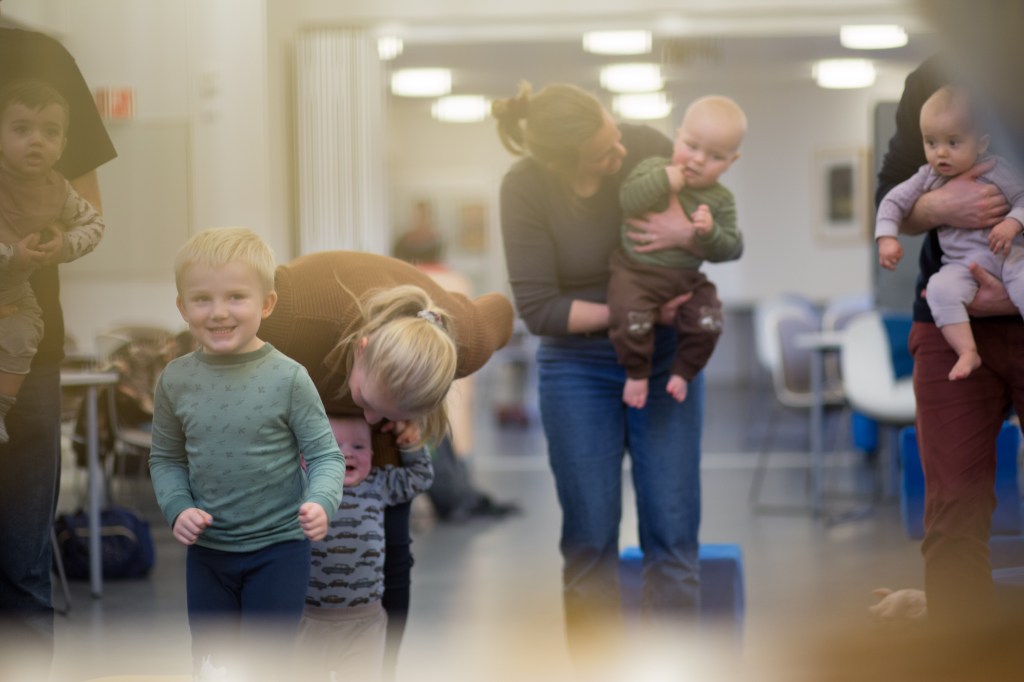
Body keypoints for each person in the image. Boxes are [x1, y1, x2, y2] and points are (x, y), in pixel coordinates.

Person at [492, 81, 706, 660]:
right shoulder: (525, 187)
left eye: (615, 136)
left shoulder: (644, 146)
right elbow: (540, 310)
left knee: (674, 538)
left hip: (663, 357)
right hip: (577, 366)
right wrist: (634, 310)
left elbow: (708, 236)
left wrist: (688, 232)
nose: (621, 153)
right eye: (604, 153)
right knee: (589, 543)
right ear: (563, 164)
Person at [258, 250, 514, 679]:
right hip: (313, 367)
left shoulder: (463, 342)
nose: (372, 419)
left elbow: (502, 311)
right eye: (367, 403)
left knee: (393, 548)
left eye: (389, 414)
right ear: (361, 351)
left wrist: (405, 426)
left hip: (385, 390)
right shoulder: (292, 317)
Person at [148, 227, 346, 679]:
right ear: (182, 307)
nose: (219, 312)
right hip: (209, 554)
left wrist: (321, 501)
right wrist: (178, 507)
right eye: (202, 299)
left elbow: (325, 456)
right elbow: (166, 459)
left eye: (236, 297)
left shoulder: (289, 378)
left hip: (279, 550)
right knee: (214, 668)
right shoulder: (175, 380)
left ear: (266, 304)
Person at [876, 52, 1024, 630]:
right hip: (949, 321)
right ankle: (958, 646)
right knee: (953, 514)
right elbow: (891, 197)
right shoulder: (934, 77)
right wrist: (940, 203)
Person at [0, 23, 116, 681]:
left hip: (25, 349)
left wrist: (41, 248)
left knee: (22, 566)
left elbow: (86, 210)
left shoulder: (42, 57)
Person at [875, 84, 1024, 382]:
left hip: (1007, 257)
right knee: (939, 289)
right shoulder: (927, 177)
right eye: (931, 142)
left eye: (953, 142)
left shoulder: (996, 169)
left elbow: (1022, 198)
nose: (940, 153)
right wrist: (887, 237)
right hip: (961, 266)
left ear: (981, 144)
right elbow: (892, 201)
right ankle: (967, 350)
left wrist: (1012, 223)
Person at [609, 94, 746, 408]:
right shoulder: (652, 168)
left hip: (686, 279)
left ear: (731, 161)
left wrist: (709, 232)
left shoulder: (721, 199)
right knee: (630, 315)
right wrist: (661, 181)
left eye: (715, 156)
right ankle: (636, 373)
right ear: (678, 136)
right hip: (636, 273)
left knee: (709, 319)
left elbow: (728, 247)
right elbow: (627, 200)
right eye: (692, 146)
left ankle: (684, 372)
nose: (698, 160)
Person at [0, 78, 105, 443]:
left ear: (62, 146)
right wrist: (12, 254)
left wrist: (64, 246)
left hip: (15, 292)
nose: (36, 140)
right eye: (21, 129)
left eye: (50, 132)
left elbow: (94, 224)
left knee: (25, 332)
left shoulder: (59, 190)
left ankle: (0, 407)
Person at [298, 416, 434, 681]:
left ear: (372, 454)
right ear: (307, 459)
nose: (347, 452)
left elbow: (421, 476)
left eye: (358, 446)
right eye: (334, 445)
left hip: (364, 622)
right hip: (309, 618)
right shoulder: (305, 486)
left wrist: (410, 442)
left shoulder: (378, 483)